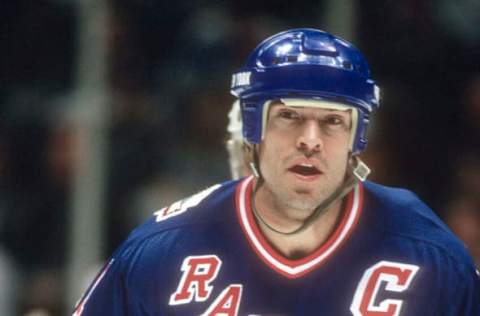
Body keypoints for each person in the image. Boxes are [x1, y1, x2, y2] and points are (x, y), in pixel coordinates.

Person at [73, 28, 480, 316]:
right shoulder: (164, 248)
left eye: (333, 122)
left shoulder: (429, 253)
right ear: (252, 127)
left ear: (359, 137)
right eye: (288, 116)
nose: (310, 140)